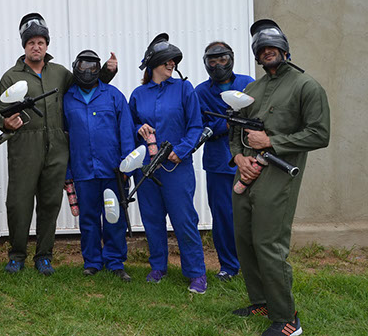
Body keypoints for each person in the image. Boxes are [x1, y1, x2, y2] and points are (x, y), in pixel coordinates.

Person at [229, 19, 329, 336]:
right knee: (244, 239)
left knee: (268, 243)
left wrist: (272, 142)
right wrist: (238, 158)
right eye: (262, 49)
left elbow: (320, 133)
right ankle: (261, 301)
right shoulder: (251, 91)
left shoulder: (306, 86)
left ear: (285, 50)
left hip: (280, 174)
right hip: (247, 172)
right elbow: (235, 129)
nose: (267, 51)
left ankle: (287, 318)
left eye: (273, 46)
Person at [0, 13, 117, 276]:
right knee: (18, 203)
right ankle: (17, 255)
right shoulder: (10, 77)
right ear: (24, 46)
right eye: (31, 43)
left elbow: (86, 85)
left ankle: (44, 256)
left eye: (40, 42)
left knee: (50, 203)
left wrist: (107, 72)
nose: (36, 47)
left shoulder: (60, 73)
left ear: (47, 45)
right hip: (24, 149)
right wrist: (5, 122)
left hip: (57, 149)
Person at [128, 33, 207, 294]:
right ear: (153, 65)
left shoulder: (184, 89)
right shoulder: (138, 94)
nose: (171, 64)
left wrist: (181, 150)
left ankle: (196, 273)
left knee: (184, 219)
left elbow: (195, 126)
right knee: (152, 219)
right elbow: (130, 125)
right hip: (147, 168)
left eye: (174, 61)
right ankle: (158, 267)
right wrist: (139, 128)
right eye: (166, 61)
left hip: (176, 168)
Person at [63, 50, 136, 281]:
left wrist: (127, 167)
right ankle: (92, 261)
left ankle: (115, 261)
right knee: (88, 218)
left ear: (99, 69)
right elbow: (63, 136)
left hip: (113, 170)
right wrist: (67, 171)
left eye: (93, 67)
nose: (87, 72)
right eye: (83, 67)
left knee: (114, 217)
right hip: (82, 170)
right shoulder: (67, 98)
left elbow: (126, 131)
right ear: (75, 67)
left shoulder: (113, 95)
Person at [194, 42, 254, 282]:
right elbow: (197, 126)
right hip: (218, 163)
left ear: (231, 59)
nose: (218, 65)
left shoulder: (248, 83)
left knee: (252, 215)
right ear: (206, 63)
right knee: (223, 217)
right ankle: (229, 266)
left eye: (223, 59)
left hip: (249, 160)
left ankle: (254, 264)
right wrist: (224, 124)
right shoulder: (200, 92)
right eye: (213, 61)